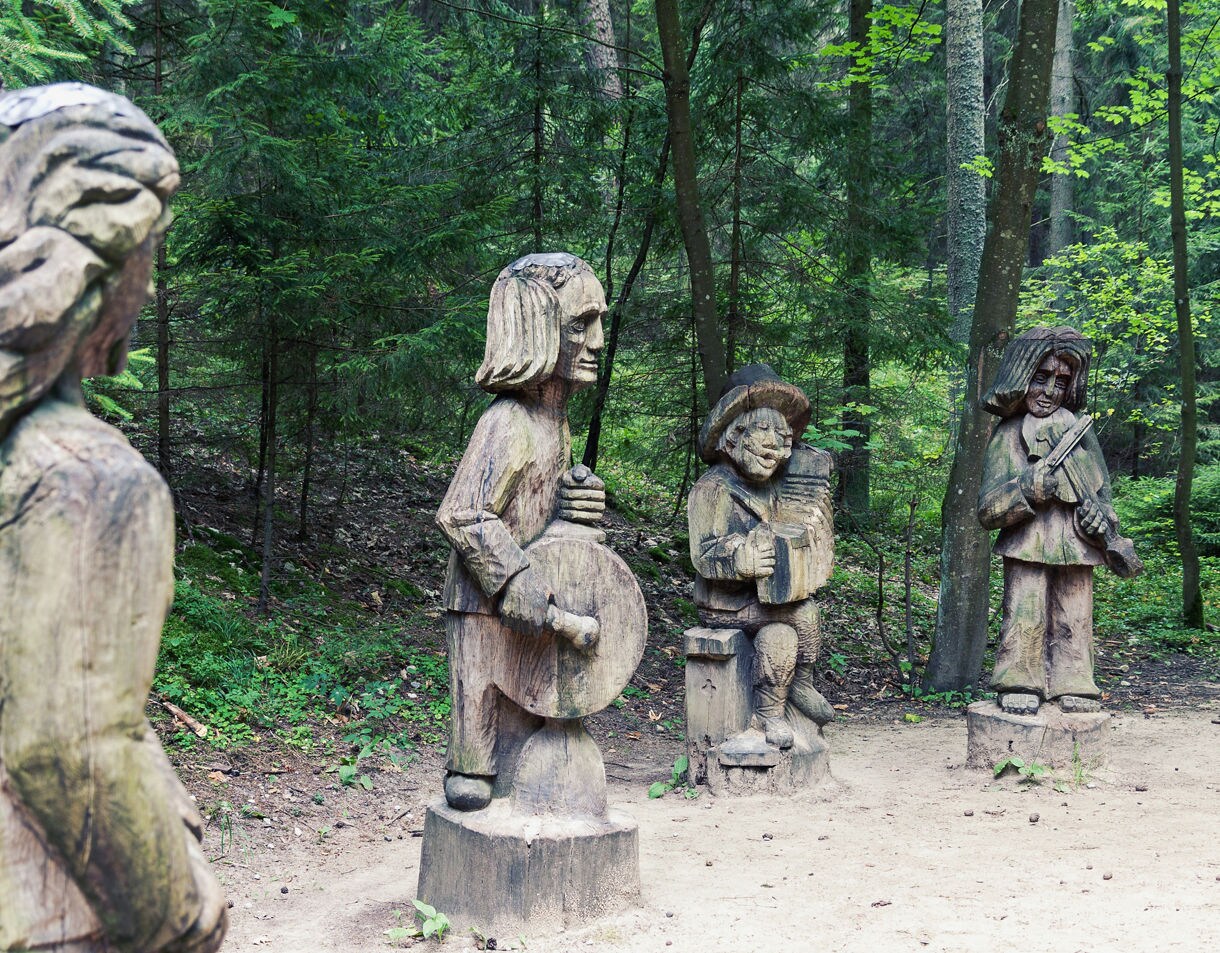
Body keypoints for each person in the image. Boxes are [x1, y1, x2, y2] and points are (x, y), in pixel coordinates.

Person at [0, 84, 226, 951]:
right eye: (149, 256)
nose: (154, 289)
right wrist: (180, 911)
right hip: (51, 910)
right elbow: (70, 746)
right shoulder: (84, 477)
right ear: (92, 260)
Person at [435, 252, 607, 811]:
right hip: (483, 606)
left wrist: (569, 509)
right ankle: (475, 766)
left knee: (535, 726)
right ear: (537, 330)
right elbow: (464, 514)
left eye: (600, 320)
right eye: (581, 323)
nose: (598, 340)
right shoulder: (506, 422)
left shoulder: (552, 424)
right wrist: (515, 581)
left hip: (531, 609)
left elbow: (532, 514)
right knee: (476, 764)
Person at [978, 326, 1140, 716]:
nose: (1050, 390)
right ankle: (1019, 679)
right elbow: (987, 509)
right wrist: (1028, 490)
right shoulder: (1010, 432)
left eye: (1061, 381)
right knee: (1024, 611)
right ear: (1021, 378)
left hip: (1078, 545)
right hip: (1028, 542)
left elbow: (1103, 495)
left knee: (1075, 614)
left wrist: (1101, 520)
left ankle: (1074, 680)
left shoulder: (1080, 431)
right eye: (1040, 378)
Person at [688, 365, 835, 749]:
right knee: (800, 617)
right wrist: (740, 559)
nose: (776, 445)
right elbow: (703, 554)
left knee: (783, 635)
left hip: (765, 602)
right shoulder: (713, 489)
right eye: (763, 430)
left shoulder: (776, 489)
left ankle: (791, 692)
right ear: (733, 436)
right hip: (724, 602)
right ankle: (774, 710)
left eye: (782, 436)